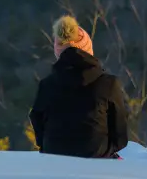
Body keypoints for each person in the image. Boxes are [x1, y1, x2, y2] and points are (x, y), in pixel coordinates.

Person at [29, 15, 128, 159]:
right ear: (88, 49)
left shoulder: (47, 85)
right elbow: (120, 132)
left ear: (59, 52)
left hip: (54, 157)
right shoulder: (109, 84)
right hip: (97, 157)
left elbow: (36, 118)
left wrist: (47, 146)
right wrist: (108, 149)